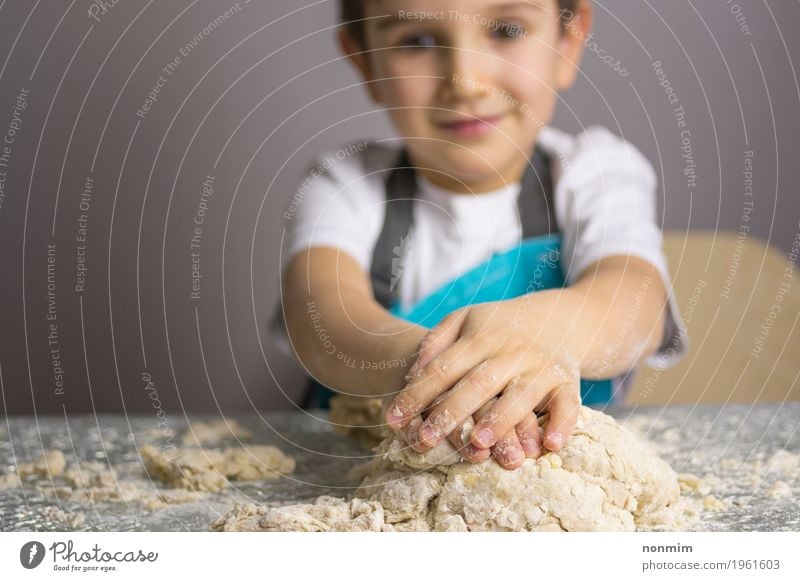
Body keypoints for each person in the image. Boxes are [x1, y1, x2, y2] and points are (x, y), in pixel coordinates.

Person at [272, 0, 688, 471]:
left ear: (567, 40)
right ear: (365, 59)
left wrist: (525, 336)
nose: (466, 82)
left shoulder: (596, 172)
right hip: (358, 479)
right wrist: (446, 369)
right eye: (418, 42)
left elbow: (634, 305)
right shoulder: (344, 184)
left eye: (507, 30)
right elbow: (321, 319)